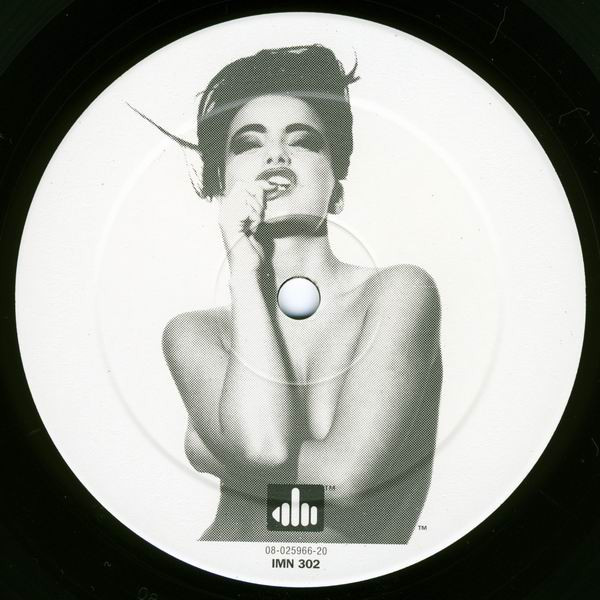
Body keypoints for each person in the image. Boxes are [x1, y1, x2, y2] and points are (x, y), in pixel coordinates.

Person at [136, 44, 442, 543]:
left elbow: (343, 481)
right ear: (223, 183)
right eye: (247, 144)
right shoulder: (194, 332)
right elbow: (263, 446)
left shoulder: (398, 293)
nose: (276, 155)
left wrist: (211, 451)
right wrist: (242, 268)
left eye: (303, 141)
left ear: (336, 188)